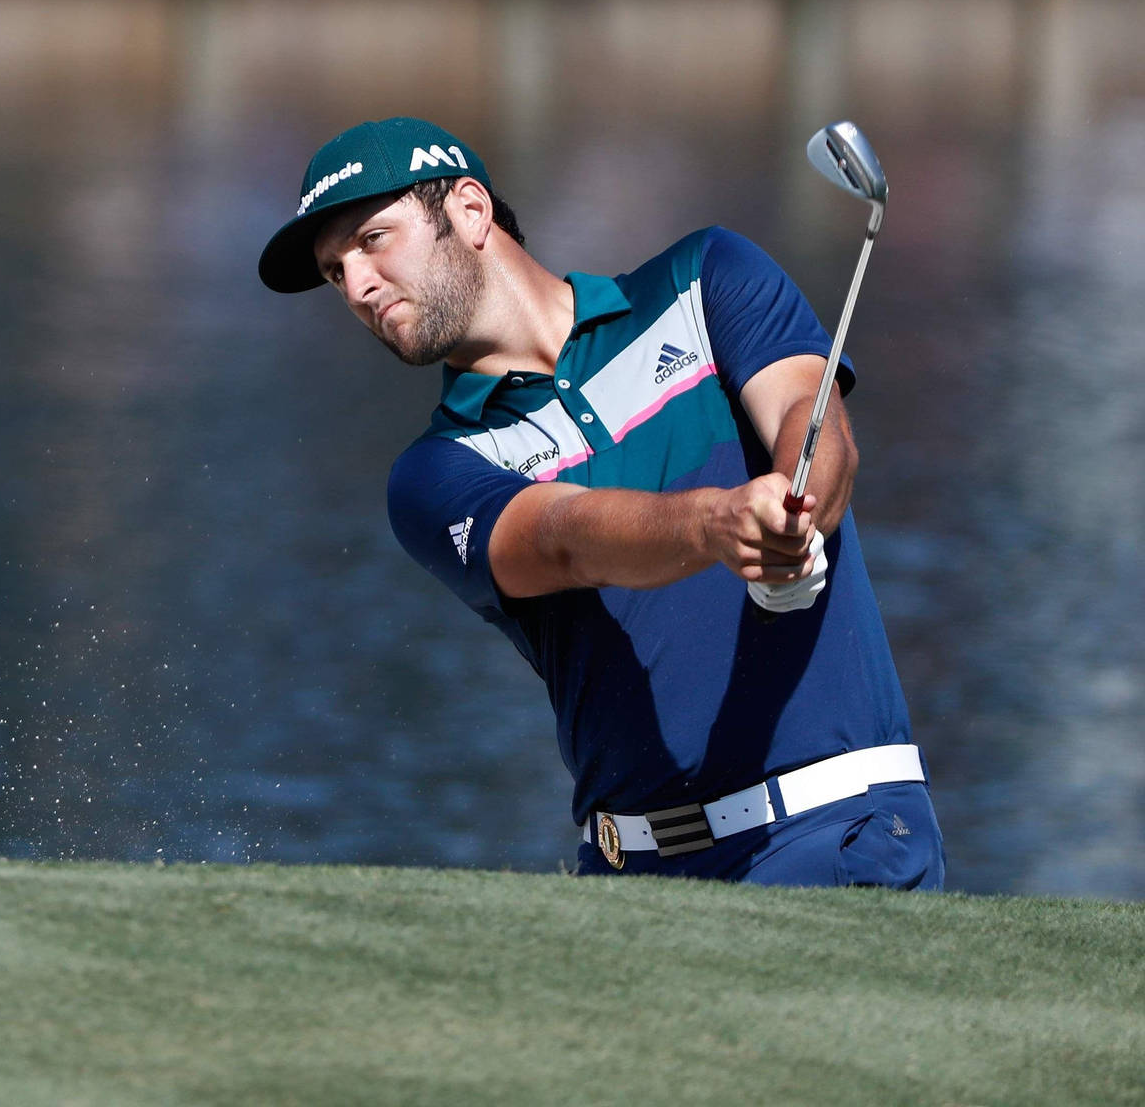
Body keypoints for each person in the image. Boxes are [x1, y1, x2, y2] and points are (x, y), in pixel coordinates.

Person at [257, 117, 944, 888]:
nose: (355, 286)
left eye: (372, 239)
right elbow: (559, 538)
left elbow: (810, 422)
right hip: (635, 878)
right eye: (333, 271)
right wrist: (717, 523)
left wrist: (796, 509)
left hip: (840, 830)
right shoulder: (432, 473)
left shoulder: (705, 277)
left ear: (471, 212)